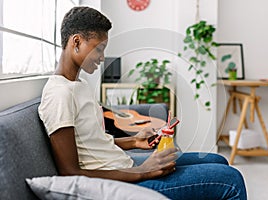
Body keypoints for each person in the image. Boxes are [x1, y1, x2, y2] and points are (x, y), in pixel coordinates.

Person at [38, 6, 247, 200]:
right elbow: (70, 172)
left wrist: (134, 142)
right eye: (99, 49)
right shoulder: (59, 94)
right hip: (119, 181)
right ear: (76, 42)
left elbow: (94, 143)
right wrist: (141, 171)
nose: (102, 58)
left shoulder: (78, 85)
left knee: (218, 161)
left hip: (123, 165)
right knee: (232, 180)